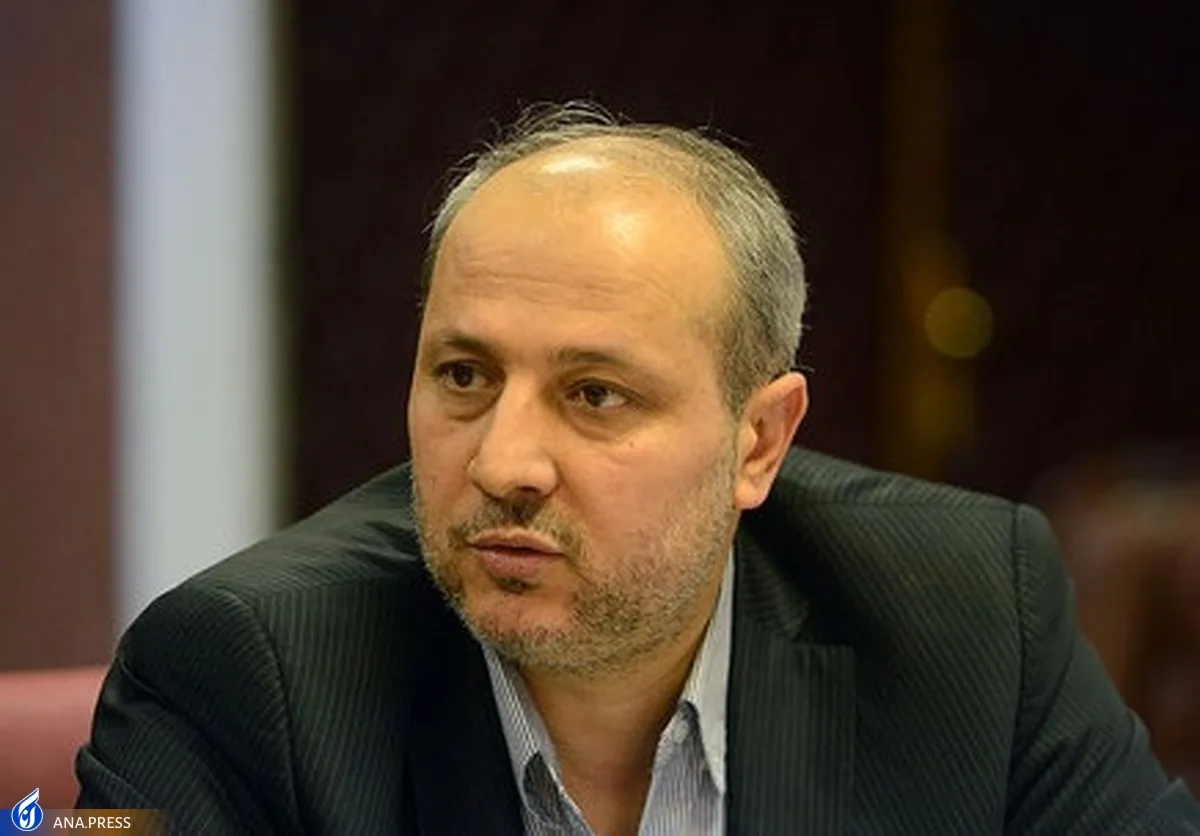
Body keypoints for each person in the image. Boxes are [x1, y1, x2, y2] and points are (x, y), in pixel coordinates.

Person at [76, 103, 1200, 835]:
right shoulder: (242, 667)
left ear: (759, 441)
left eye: (595, 395)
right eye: (464, 375)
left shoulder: (966, 610)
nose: (505, 462)